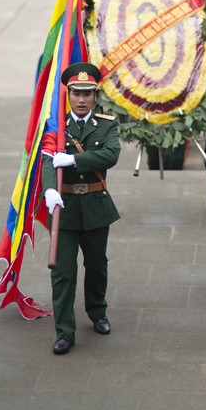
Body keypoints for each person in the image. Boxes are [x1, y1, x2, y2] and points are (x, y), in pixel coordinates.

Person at [42, 63, 121, 355]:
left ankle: (97, 311)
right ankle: (64, 331)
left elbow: (110, 154)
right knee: (62, 271)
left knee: (97, 265)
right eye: (76, 93)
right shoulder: (56, 125)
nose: (82, 99)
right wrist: (49, 189)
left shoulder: (107, 123)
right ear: (68, 95)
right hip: (64, 207)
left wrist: (74, 161)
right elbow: (47, 160)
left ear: (95, 95)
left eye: (87, 93)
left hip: (95, 205)